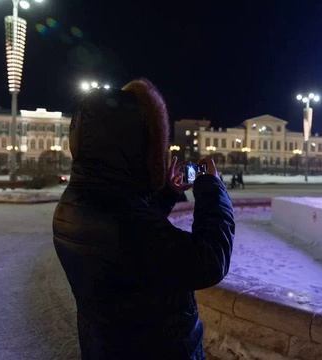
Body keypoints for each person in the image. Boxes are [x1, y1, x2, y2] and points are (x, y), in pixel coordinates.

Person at [52, 78, 235, 360]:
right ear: (133, 145)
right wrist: (212, 188)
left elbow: (132, 247)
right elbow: (208, 262)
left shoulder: (75, 203)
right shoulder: (126, 223)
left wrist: (169, 193)